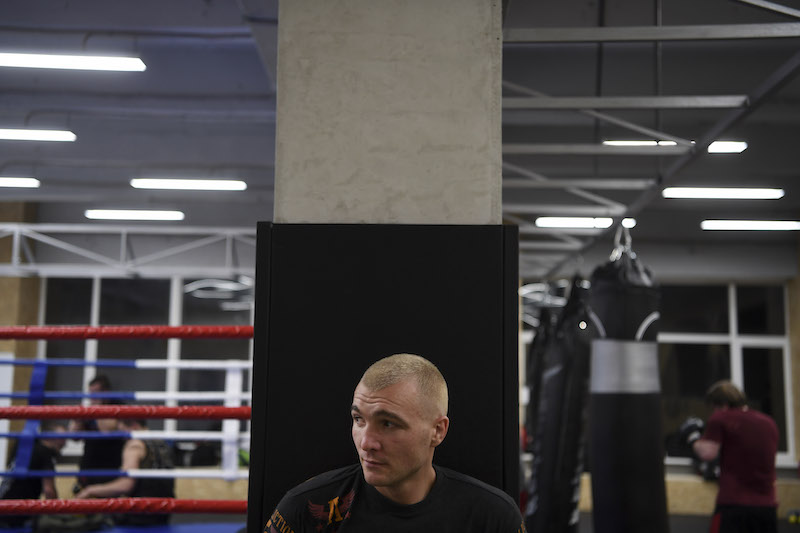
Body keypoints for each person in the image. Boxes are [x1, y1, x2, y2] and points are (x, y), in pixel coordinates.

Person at [265, 353, 526, 533]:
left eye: (388, 424)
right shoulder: (306, 508)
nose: (366, 442)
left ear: (437, 431)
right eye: (359, 419)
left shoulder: (492, 518)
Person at [690, 380, 778, 533]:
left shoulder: (721, 418)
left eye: (714, 407)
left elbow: (707, 453)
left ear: (722, 404)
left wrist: (692, 438)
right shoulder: (769, 423)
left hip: (734, 505)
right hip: (767, 508)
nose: (714, 412)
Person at [75, 418, 175, 526]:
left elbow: (125, 485)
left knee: (92, 521)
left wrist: (91, 490)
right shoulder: (161, 443)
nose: (122, 436)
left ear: (134, 425)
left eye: (122, 429)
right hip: (164, 510)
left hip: (140, 514)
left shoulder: (134, 445)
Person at [0, 421, 66, 528]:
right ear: (50, 437)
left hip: (4, 503)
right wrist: (57, 513)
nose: (64, 443)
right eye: (61, 439)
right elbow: (49, 491)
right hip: (18, 513)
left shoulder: (25, 445)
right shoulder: (46, 454)